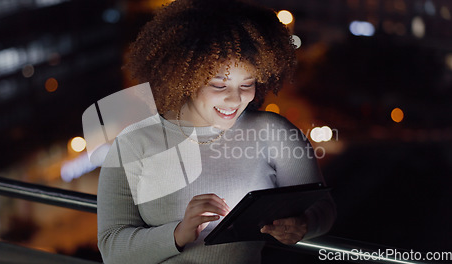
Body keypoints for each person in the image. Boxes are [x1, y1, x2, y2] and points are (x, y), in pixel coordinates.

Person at [97, 0, 336, 263]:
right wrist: (178, 234)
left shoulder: (275, 133)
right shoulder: (133, 142)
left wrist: (304, 224)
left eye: (247, 84)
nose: (235, 100)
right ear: (184, 78)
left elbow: (323, 208)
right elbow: (111, 249)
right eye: (219, 85)